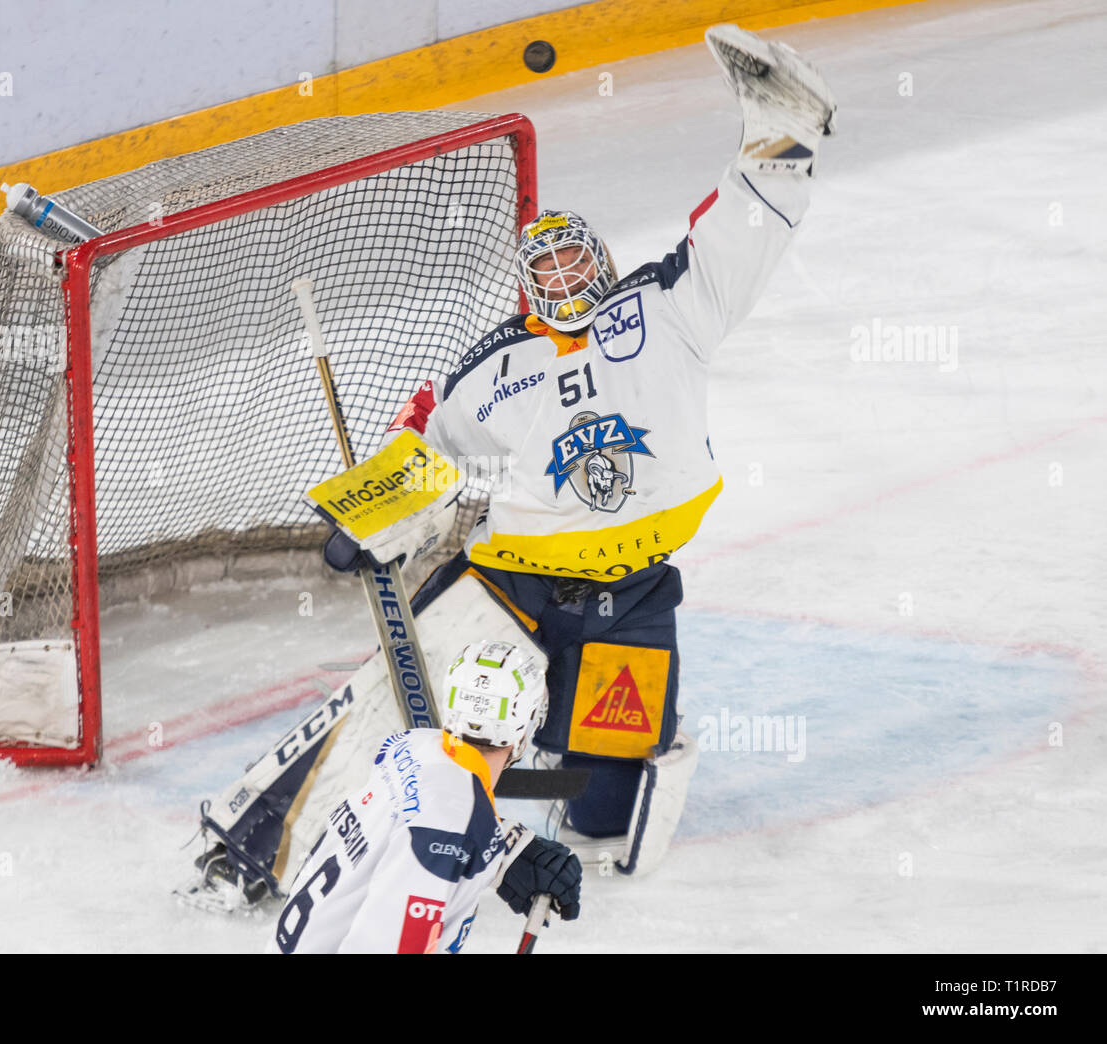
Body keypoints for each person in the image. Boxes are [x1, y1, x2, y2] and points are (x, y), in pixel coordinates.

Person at [177, 24, 836, 910]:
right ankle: (256, 846)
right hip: (511, 587)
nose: (563, 276)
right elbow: (429, 443)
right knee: (387, 710)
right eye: (545, 266)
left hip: (635, 596)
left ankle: (515, 808)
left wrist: (781, 141)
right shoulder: (496, 367)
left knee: (605, 812)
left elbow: (738, 239)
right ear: (526, 286)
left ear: (603, 259)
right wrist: (367, 514)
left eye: (575, 257)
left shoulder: (669, 309)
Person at [268, 639, 581, 953]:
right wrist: (479, 842)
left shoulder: (413, 747)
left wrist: (506, 850)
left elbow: (423, 816)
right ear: (525, 726)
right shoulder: (449, 825)